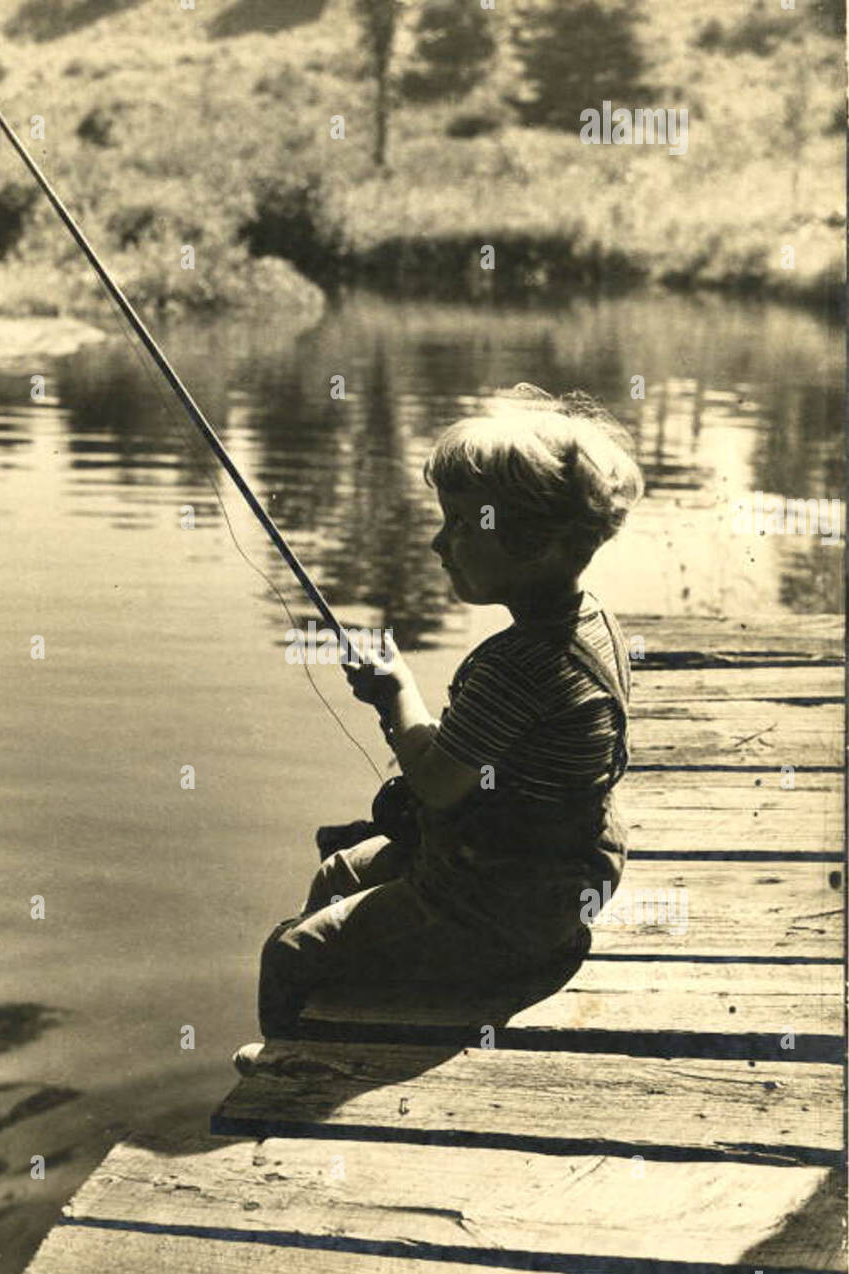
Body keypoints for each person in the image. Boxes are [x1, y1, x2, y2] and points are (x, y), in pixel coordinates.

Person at [234, 384, 644, 1073]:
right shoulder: (593, 622)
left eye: (460, 524)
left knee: (291, 952)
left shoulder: (516, 667)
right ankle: (343, 1016)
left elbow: (440, 784)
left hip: (502, 905)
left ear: (537, 544)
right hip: (560, 875)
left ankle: (290, 1066)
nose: (436, 542)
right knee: (340, 872)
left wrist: (396, 697)